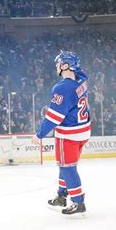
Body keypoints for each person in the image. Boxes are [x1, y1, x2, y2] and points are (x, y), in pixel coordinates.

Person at [32, 51, 90, 217]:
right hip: (83, 130)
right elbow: (78, 72)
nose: (56, 66)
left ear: (65, 66)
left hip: (69, 134)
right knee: (65, 164)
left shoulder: (62, 88)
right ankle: (61, 195)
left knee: (67, 167)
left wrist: (39, 135)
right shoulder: (82, 78)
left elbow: (53, 118)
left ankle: (78, 202)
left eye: (59, 63)